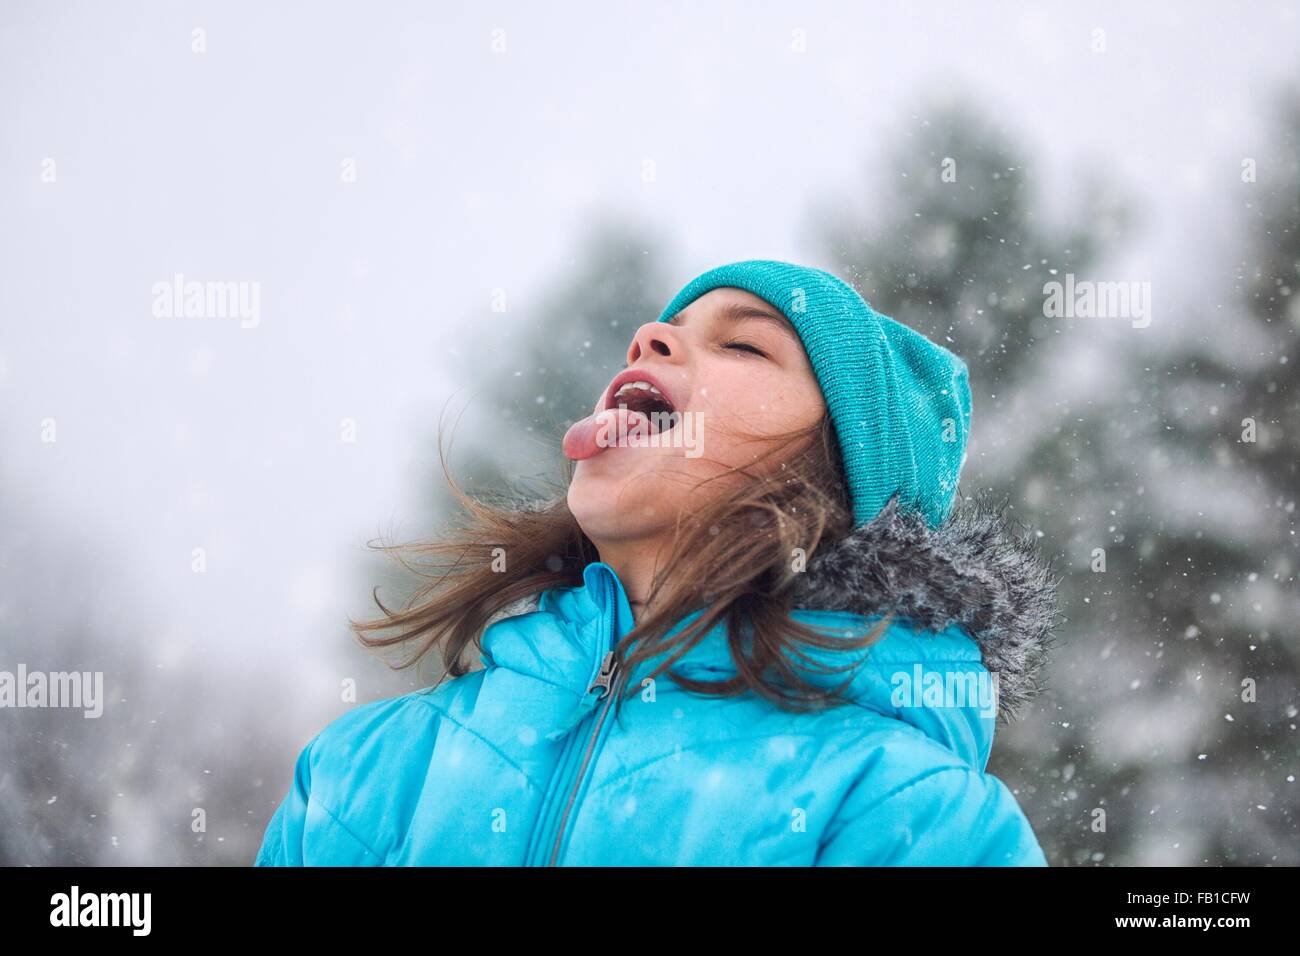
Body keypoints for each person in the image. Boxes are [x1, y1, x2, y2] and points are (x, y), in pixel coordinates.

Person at [253, 258, 1059, 866]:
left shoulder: (912, 814)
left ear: (844, 478)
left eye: (744, 344)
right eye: (660, 331)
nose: (650, 336)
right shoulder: (366, 767)